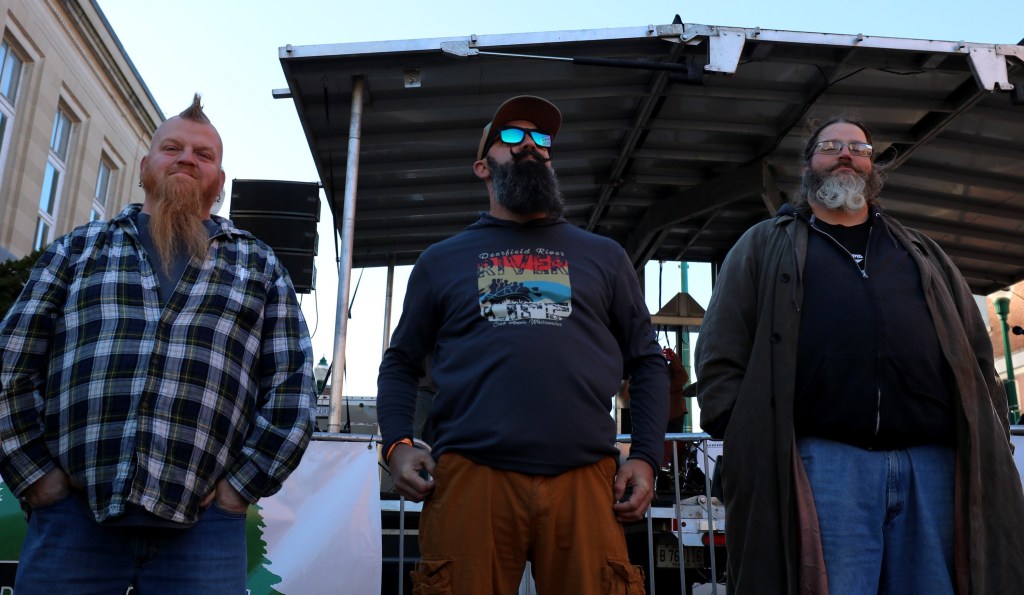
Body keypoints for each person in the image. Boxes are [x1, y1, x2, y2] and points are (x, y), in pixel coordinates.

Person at [695, 115, 1024, 594]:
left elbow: (976, 353)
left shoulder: (920, 251)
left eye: (860, 148)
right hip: (824, 463)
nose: (846, 154)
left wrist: (990, 434)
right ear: (807, 165)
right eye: (831, 146)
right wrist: (747, 435)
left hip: (931, 465)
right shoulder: (764, 245)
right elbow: (721, 351)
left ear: (874, 169)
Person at [0, 94, 316, 593]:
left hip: (205, 531)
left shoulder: (258, 266)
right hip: (73, 519)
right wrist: (35, 474)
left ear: (219, 181)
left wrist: (239, 489)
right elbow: (10, 364)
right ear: (145, 167)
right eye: (172, 148)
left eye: (203, 154)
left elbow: (292, 388)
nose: (187, 159)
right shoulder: (78, 249)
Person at [377, 95, 668, 594]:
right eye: (511, 136)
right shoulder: (441, 261)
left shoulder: (605, 256)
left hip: (585, 481)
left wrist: (644, 455)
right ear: (482, 167)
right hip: (471, 480)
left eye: (541, 139)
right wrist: (397, 446)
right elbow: (401, 362)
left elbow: (647, 362)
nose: (530, 144)